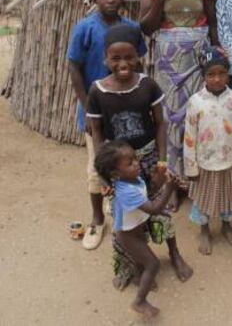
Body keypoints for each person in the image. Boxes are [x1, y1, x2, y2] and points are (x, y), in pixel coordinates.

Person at [87, 24, 192, 287]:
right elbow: (97, 131)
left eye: (129, 57)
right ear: (105, 59)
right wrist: (103, 174)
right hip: (117, 164)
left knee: (160, 209)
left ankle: (174, 254)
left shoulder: (148, 85)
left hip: (146, 159)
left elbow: (160, 124)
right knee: (123, 217)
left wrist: (162, 161)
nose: (123, 63)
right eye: (116, 58)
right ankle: (130, 265)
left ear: (138, 57)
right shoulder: (98, 91)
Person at [138, 0, 218, 211]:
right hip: (167, 59)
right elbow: (146, 26)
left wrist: (215, 54)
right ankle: (172, 184)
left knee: (196, 118)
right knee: (170, 121)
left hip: (197, 58)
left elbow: (212, 22)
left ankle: (195, 183)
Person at [67, 0, 146, 250]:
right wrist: (87, 107)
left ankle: (128, 214)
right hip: (97, 111)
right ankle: (98, 219)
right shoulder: (85, 28)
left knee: (126, 161)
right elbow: (74, 67)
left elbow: (139, 64)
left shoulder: (132, 29)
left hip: (127, 110)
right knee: (97, 166)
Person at [94, 140, 182, 321]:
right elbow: (154, 209)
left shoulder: (134, 179)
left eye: (135, 158)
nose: (136, 163)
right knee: (153, 264)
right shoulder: (126, 191)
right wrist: (170, 188)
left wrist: (158, 180)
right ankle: (139, 301)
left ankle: (138, 277)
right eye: (130, 163)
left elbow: (147, 194)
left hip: (135, 229)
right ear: (115, 174)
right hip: (128, 236)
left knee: (141, 260)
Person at [184, 47, 232, 255]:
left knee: (227, 198)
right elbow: (190, 137)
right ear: (203, 76)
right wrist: (191, 167)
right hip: (204, 164)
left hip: (228, 161)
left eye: (222, 73)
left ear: (228, 74)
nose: (217, 79)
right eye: (211, 74)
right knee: (203, 199)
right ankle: (204, 230)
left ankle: (226, 226)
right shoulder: (195, 101)